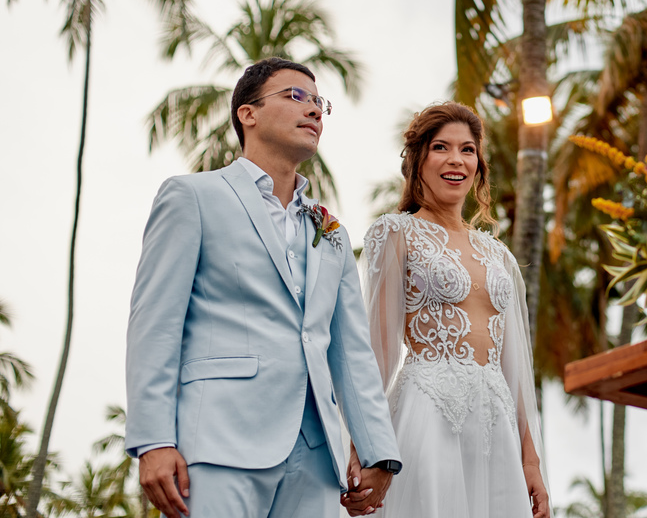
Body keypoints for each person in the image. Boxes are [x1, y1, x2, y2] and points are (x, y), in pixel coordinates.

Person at [125, 57, 401, 518]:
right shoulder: (192, 197)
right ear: (247, 114)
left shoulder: (330, 231)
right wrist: (153, 439)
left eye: (319, 103)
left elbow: (351, 350)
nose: (314, 110)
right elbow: (154, 324)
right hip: (217, 442)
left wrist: (378, 450)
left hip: (315, 455)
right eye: (296, 96)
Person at [357, 102, 551, 518]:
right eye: (441, 147)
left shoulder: (498, 254)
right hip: (427, 413)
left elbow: (514, 366)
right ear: (418, 160)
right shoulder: (395, 233)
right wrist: (364, 445)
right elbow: (379, 351)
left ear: (478, 163)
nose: (456, 160)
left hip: (496, 424)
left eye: (467, 149)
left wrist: (530, 461)